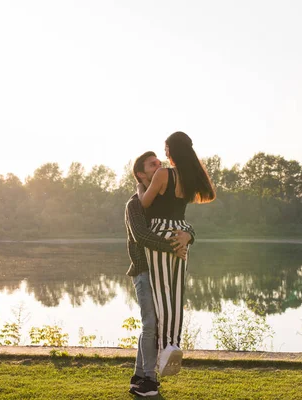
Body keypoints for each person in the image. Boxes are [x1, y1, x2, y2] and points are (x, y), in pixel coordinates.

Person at [137, 131, 215, 376]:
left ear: (171, 150)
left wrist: (140, 186)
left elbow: (144, 204)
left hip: (161, 232)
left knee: (162, 294)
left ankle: (165, 348)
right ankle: (174, 343)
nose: (164, 154)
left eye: (165, 148)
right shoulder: (189, 178)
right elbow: (209, 194)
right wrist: (188, 233)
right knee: (176, 292)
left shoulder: (163, 174)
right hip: (181, 231)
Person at [125, 150, 196, 397]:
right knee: (150, 324)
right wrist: (173, 248)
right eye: (153, 164)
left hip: (163, 272)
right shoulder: (135, 204)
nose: (159, 165)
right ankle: (150, 381)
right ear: (141, 174)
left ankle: (139, 377)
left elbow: (182, 225)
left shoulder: (159, 201)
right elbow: (141, 236)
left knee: (152, 325)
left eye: (159, 162)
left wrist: (188, 237)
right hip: (144, 271)